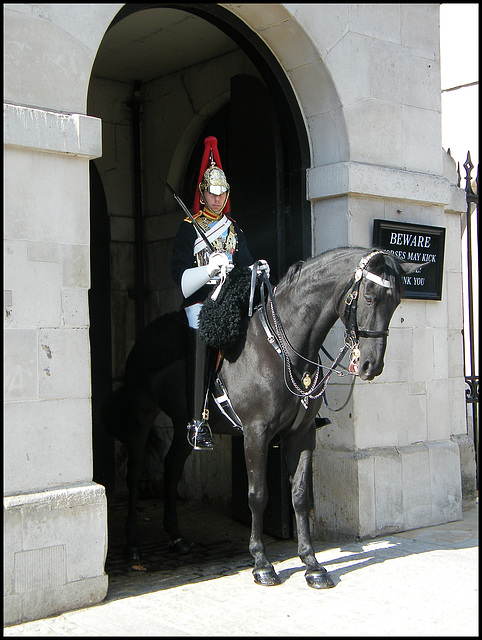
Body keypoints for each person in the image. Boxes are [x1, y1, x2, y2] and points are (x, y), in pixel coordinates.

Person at [171, 136, 268, 450]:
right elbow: (181, 277)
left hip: (231, 296)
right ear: (203, 193)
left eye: (222, 193)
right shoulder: (190, 227)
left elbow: (247, 262)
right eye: (212, 193)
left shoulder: (234, 229)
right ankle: (197, 420)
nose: (217, 199)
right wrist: (208, 271)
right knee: (203, 325)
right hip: (200, 300)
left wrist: (258, 269)